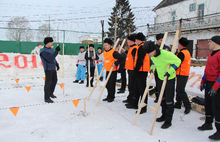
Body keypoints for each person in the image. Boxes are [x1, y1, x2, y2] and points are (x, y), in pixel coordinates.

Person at [143, 41, 181, 129]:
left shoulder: (166, 54)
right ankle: (163, 115)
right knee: (161, 98)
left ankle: (168, 120)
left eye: (149, 53)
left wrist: (170, 71)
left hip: (169, 79)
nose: (148, 55)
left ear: (153, 50)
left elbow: (178, 61)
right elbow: (154, 62)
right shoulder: (153, 56)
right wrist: (152, 68)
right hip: (160, 78)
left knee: (168, 100)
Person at [198, 36, 220, 140]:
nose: (208, 43)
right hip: (209, 83)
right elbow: (207, 69)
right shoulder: (211, 54)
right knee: (208, 104)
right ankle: (208, 123)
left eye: (210, 42)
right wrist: (203, 81)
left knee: (217, 107)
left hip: (217, 84)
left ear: (216, 43)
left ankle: (219, 131)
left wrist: (215, 87)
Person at [126, 32, 150, 114]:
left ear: (139, 40)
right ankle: (135, 103)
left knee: (142, 90)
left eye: (136, 40)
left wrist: (135, 70)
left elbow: (140, 60)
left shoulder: (142, 47)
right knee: (137, 88)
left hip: (141, 71)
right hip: (140, 71)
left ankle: (143, 107)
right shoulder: (140, 47)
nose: (135, 41)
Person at [102, 38, 124, 102]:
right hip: (107, 70)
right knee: (107, 84)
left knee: (111, 84)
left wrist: (116, 63)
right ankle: (108, 95)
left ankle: (112, 97)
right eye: (104, 45)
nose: (105, 46)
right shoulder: (105, 52)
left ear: (109, 45)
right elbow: (105, 59)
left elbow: (121, 58)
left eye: (106, 45)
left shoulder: (114, 52)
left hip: (113, 70)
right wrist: (104, 63)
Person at [40, 37, 60, 103]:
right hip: (48, 69)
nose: (52, 43)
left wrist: (56, 64)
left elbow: (53, 58)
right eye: (51, 42)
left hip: (53, 68)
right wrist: (56, 51)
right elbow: (50, 58)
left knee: (54, 81)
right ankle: (46, 98)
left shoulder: (50, 49)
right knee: (48, 83)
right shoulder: (44, 52)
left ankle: (51, 93)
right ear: (47, 43)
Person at [174, 37, 192, 114]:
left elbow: (177, 63)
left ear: (180, 44)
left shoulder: (181, 53)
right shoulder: (186, 52)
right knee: (178, 89)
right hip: (183, 73)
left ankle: (187, 106)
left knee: (181, 90)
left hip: (182, 73)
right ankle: (178, 103)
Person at [154, 34, 171, 103]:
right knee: (158, 83)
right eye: (160, 40)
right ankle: (158, 97)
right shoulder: (155, 48)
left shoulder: (167, 48)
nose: (161, 41)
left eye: (162, 40)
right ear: (157, 40)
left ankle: (164, 96)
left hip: (164, 69)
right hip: (157, 68)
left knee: (164, 84)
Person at [123, 34, 138, 103]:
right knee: (130, 85)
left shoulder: (135, 48)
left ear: (132, 41)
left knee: (132, 86)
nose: (127, 42)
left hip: (133, 70)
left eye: (128, 41)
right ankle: (130, 97)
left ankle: (132, 99)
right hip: (130, 69)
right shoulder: (131, 48)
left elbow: (135, 59)